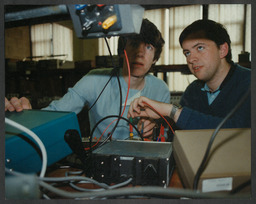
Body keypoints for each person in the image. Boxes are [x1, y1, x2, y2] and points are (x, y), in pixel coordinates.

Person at [5, 18, 171, 140]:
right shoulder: (94, 79)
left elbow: (164, 135)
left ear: (155, 58)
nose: (140, 53)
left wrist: (155, 128)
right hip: (100, 160)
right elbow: (56, 113)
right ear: (122, 50)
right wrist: (26, 115)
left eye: (148, 47)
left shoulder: (160, 89)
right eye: (134, 43)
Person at [128, 19, 251, 130]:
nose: (191, 59)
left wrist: (172, 111)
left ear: (223, 50)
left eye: (200, 48)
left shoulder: (249, 83)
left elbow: (240, 133)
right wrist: (152, 130)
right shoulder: (193, 91)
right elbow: (178, 138)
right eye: (187, 53)